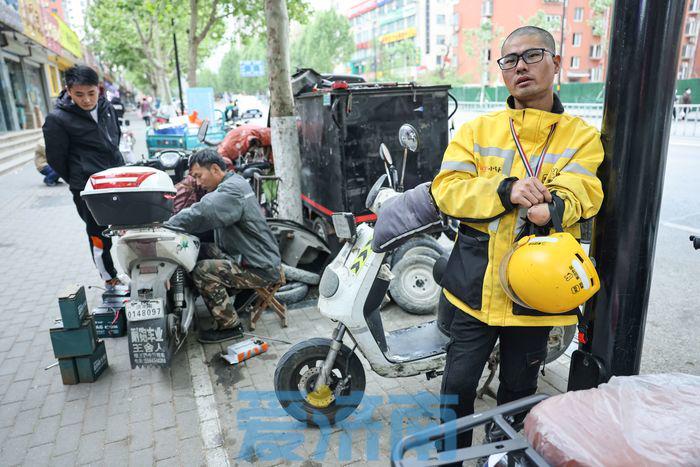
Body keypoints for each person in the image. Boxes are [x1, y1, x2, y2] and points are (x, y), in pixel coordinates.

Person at [431, 26, 604, 456]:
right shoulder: (478, 130)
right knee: (456, 389)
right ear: (503, 73)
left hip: (535, 297)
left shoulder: (580, 136)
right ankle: (452, 460)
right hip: (474, 291)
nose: (520, 66)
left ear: (557, 64)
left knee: (518, 393)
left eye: (532, 55)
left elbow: (586, 190)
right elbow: (446, 189)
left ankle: (502, 459)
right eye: (509, 60)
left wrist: (556, 207)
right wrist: (503, 189)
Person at [166, 149, 283, 343]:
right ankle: (226, 297)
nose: (196, 181)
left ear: (214, 169)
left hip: (259, 267)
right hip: (249, 256)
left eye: (198, 175)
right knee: (200, 250)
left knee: (202, 271)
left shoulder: (231, 191)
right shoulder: (233, 182)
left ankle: (230, 326)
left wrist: (166, 224)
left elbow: (203, 212)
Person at [42, 65, 124, 286]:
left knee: (130, 227)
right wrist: (79, 178)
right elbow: (56, 159)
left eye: (91, 93)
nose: (87, 100)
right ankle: (110, 278)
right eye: (79, 94)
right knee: (98, 235)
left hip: (118, 180)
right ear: (69, 90)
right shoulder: (57, 119)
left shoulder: (108, 107)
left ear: (98, 88)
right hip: (88, 188)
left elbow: (115, 136)